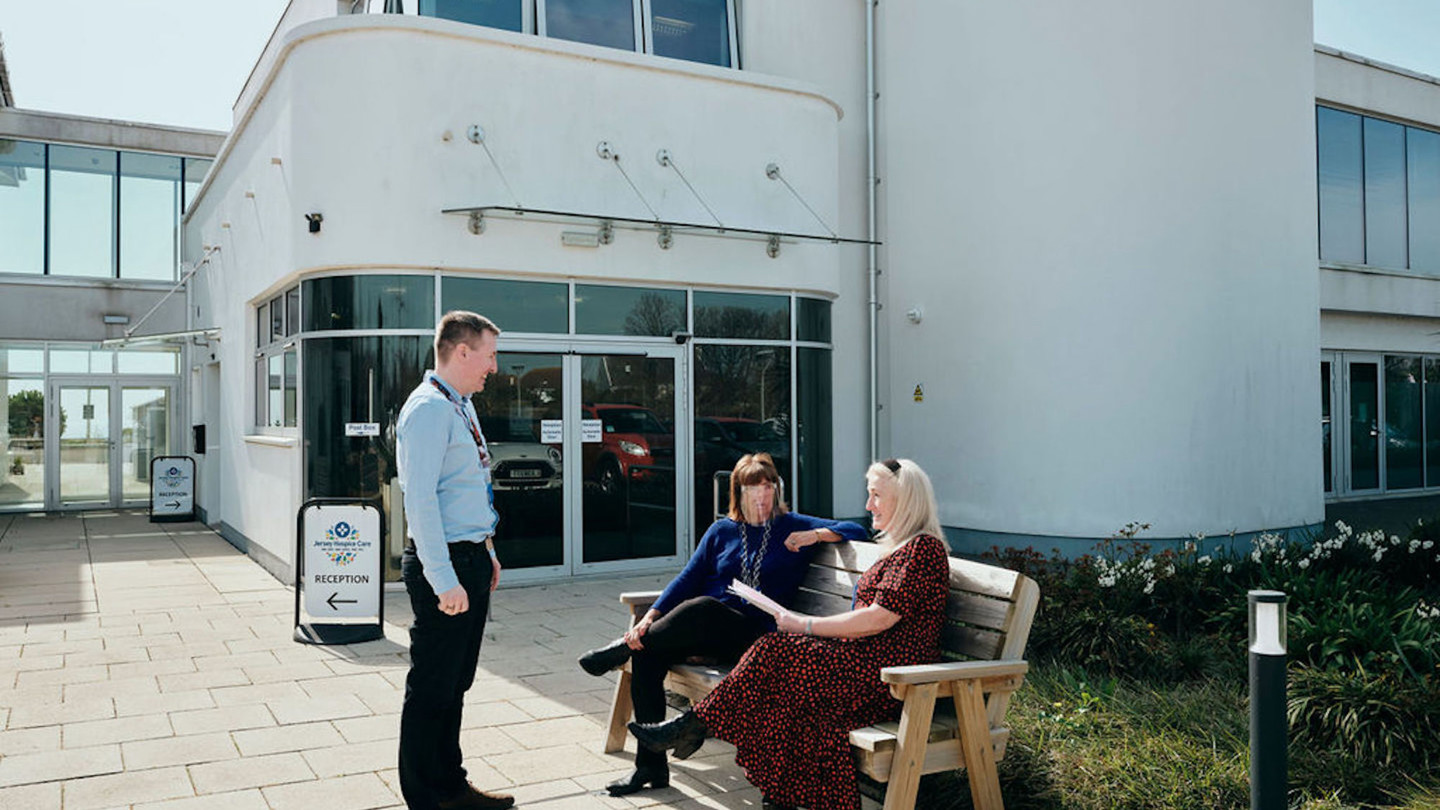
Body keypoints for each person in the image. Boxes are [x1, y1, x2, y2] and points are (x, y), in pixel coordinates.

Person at [629, 458, 951, 810]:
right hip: (861, 667)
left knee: (774, 652)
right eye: (869, 494)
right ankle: (776, 797)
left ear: (905, 501)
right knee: (785, 690)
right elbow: (688, 579)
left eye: (876, 496)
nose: (868, 504)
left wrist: (805, 625)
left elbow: (878, 619)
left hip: (891, 679)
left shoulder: (923, 550)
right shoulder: (902, 549)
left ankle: (696, 724)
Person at [578, 452, 868, 797]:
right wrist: (651, 617)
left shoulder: (793, 525)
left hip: (757, 638)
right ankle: (650, 767)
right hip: (709, 633)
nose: (761, 497)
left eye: (767, 487)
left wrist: (815, 535)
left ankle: (620, 649)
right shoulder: (721, 530)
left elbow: (858, 529)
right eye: (752, 489)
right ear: (738, 493)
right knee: (648, 653)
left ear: (776, 489)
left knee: (701, 608)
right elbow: (687, 579)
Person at [396, 311, 514, 810]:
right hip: (442, 566)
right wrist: (444, 579)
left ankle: (451, 785)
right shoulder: (427, 410)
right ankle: (425, 797)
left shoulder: (459, 405)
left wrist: (486, 554)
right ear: (461, 351)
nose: (493, 366)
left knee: (455, 685)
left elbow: (465, 490)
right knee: (432, 688)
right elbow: (419, 502)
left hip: (469, 560)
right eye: (488, 355)